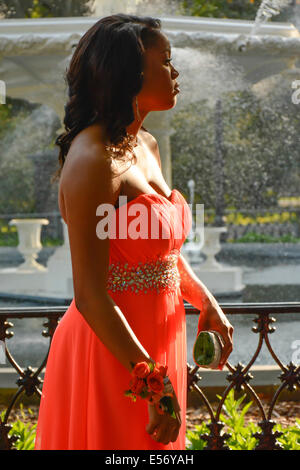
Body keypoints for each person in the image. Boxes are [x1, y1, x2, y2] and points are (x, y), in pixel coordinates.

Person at [34, 13, 234, 451]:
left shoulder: (146, 146)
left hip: (159, 336)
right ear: (128, 73)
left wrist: (204, 300)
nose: (175, 71)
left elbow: (157, 250)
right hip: (113, 352)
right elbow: (90, 295)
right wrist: (152, 382)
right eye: (164, 61)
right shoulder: (92, 160)